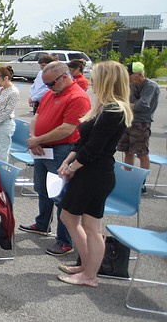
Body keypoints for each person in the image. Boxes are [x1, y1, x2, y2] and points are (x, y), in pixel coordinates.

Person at [56, 61, 132, 287]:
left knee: (85, 224)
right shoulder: (103, 107)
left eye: (96, 76)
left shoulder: (114, 111)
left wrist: (72, 168)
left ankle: (90, 274)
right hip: (89, 172)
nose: (92, 80)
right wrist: (68, 160)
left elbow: (94, 149)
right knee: (77, 220)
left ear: (108, 80)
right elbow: (83, 142)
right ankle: (87, 266)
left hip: (95, 175)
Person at [19, 61, 91, 256]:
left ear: (65, 77)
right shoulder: (52, 92)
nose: (49, 87)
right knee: (42, 189)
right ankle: (42, 223)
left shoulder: (78, 97)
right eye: (46, 84)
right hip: (42, 149)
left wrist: (38, 140)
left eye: (51, 83)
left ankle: (64, 240)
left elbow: (68, 128)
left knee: (61, 197)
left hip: (61, 150)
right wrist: (35, 139)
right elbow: (37, 116)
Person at [117, 61, 160, 177]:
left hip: (141, 123)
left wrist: (127, 105)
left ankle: (142, 182)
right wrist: (129, 104)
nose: (129, 77)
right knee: (127, 151)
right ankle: (127, 176)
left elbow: (143, 105)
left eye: (131, 74)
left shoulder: (150, 86)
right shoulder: (132, 85)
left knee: (141, 153)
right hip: (128, 120)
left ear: (139, 74)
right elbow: (123, 100)